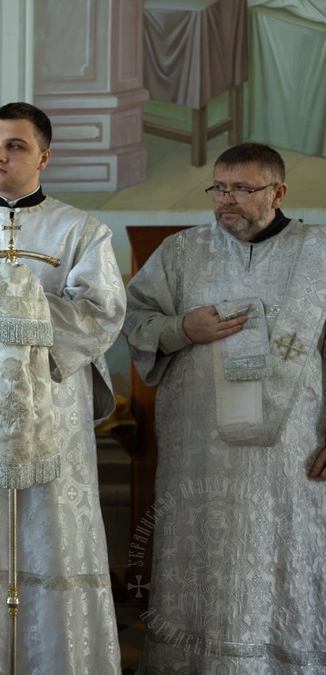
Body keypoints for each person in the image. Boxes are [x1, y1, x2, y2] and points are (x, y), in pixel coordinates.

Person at [0, 102, 125, 673]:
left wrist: (13, 306)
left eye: (15, 146)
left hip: (52, 408)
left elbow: (103, 312)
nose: (0, 156)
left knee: (51, 533)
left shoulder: (81, 231)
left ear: (43, 157)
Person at [124, 142, 326, 672]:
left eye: (242, 189)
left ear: (278, 193)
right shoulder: (180, 252)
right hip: (199, 451)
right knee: (203, 559)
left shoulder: (320, 253)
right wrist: (180, 329)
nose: (226, 200)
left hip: (291, 457)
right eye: (219, 188)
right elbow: (132, 318)